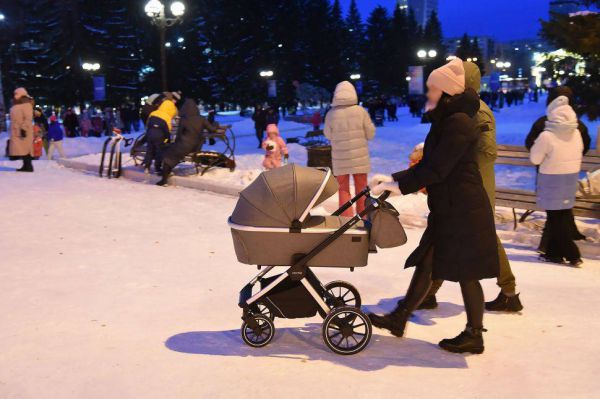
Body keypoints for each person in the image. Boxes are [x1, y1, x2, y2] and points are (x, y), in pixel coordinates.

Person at [368, 58, 499, 354]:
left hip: (462, 208)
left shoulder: (459, 123)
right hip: (451, 205)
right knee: (428, 262)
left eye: (432, 89)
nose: (428, 94)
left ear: (447, 92)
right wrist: (393, 179)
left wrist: (399, 185)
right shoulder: (448, 119)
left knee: (466, 271)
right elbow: (430, 163)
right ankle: (400, 317)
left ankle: (474, 335)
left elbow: (437, 169)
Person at [418, 61, 523, 313]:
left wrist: (455, 160)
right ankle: (428, 291)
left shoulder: (478, 111)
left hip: (474, 186)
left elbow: (487, 152)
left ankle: (508, 292)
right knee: (442, 233)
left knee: (477, 236)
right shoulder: (458, 106)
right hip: (460, 184)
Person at [525, 86, 591, 252]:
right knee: (560, 211)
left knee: (554, 214)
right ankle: (552, 251)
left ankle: (561, 250)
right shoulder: (577, 126)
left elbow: (531, 146)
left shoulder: (544, 124)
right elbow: (584, 146)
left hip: (548, 175)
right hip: (569, 175)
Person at [324, 81, 375, 217]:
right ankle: (363, 216)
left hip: (340, 159)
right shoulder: (361, 111)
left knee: (343, 189)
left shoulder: (331, 114)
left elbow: (327, 134)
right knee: (361, 188)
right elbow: (371, 133)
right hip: (360, 157)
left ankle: (346, 218)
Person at [156, 99, 217, 186]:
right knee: (170, 152)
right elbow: (212, 129)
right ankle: (164, 175)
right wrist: (216, 124)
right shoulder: (202, 119)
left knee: (168, 152)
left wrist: (175, 144)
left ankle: (164, 179)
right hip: (195, 146)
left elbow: (179, 134)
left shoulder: (184, 119)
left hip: (184, 144)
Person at [143, 98, 178, 174]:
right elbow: (167, 130)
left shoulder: (153, 113)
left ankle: (147, 167)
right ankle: (157, 168)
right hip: (159, 136)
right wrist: (167, 139)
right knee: (159, 151)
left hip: (150, 134)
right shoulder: (167, 117)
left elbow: (147, 124)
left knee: (149, 150)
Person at [9, 88, 35, 172]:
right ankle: (26, 166)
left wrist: (24, 128)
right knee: (21, 149)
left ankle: (28, 166)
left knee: (25, 149)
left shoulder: (26, 104)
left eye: (16, 93)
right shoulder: (17, 104)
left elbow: (28, 118)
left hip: (23, 130)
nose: (14, 95)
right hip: (17, 131)